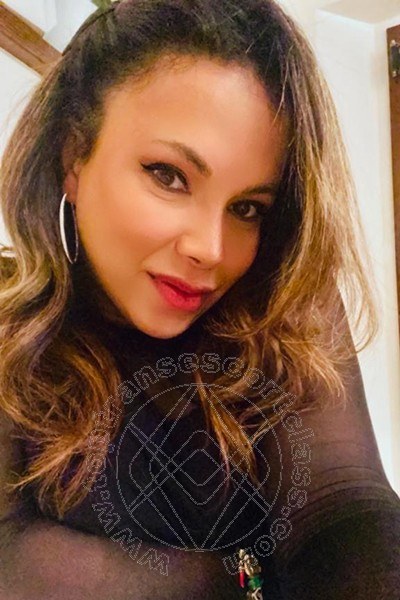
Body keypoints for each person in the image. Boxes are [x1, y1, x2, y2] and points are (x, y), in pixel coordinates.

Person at [0, 0, 399, 598]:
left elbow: (342, 505)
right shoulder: (10, 325)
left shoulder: (281, 299)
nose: (211, 250)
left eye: (247, 208)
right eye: (169, 176)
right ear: (73, 157)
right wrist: (230, 580)